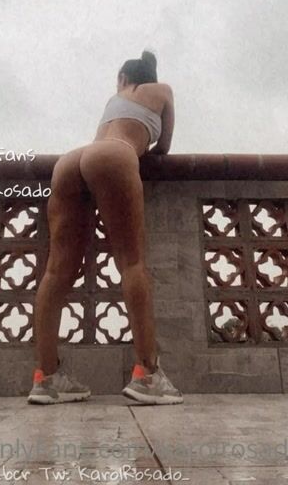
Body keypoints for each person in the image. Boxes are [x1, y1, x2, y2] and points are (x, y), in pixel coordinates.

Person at [28, 50, 183, 406]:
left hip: (72, 161)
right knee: (131, 263)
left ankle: (46, 378)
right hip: (116, 154)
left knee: (55, 272)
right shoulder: (162, 90)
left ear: (123, 78)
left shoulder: (115, 98)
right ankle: (147, 374)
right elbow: (164, 147)